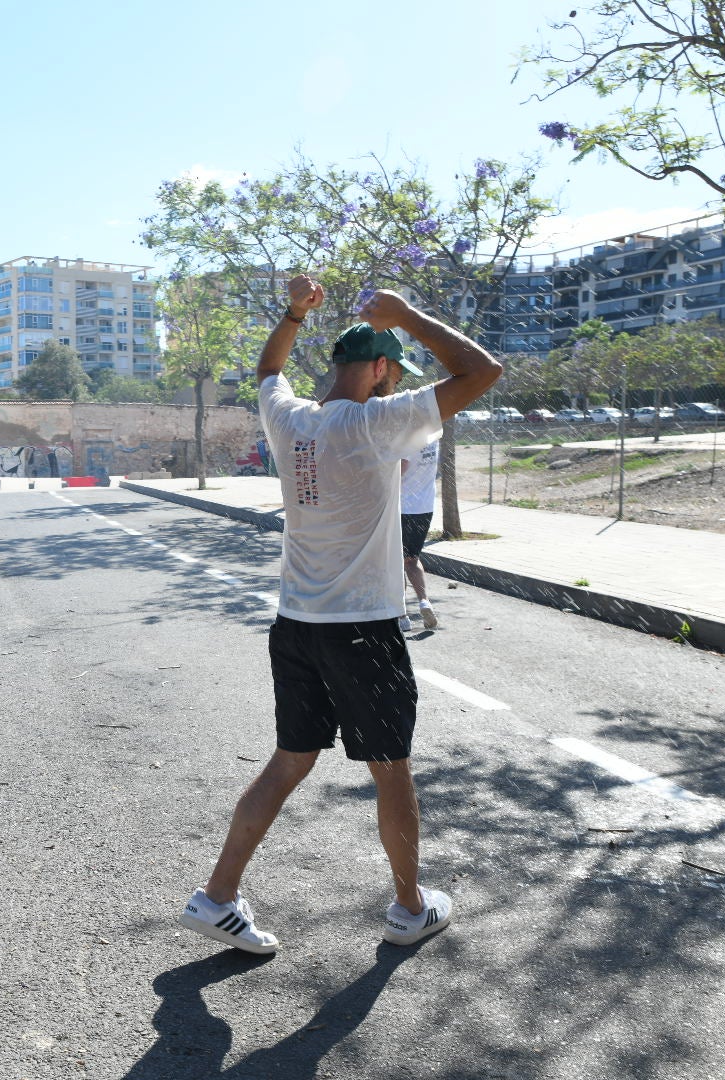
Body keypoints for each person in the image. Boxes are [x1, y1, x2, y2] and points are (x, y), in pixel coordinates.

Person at [178, 278, 500, 954]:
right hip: (362, 631)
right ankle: (411, 908)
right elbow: (482, 371)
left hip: (296, 624)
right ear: (380, 370)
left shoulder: (288, 419)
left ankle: (217, 897)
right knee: (391, 768)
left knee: (290, 761)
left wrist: (295, 313)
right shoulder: (380, 423)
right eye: (391, 373)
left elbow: (269, 369)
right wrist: (409, 313)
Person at [398, 437, 441, 632]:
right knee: (412, 559)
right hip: (424, 507)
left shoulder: (409, 436)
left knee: (394, 562)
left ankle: (402, 615)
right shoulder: (432, 436)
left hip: (402, 507)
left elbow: (401, 469)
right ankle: (424, 602)